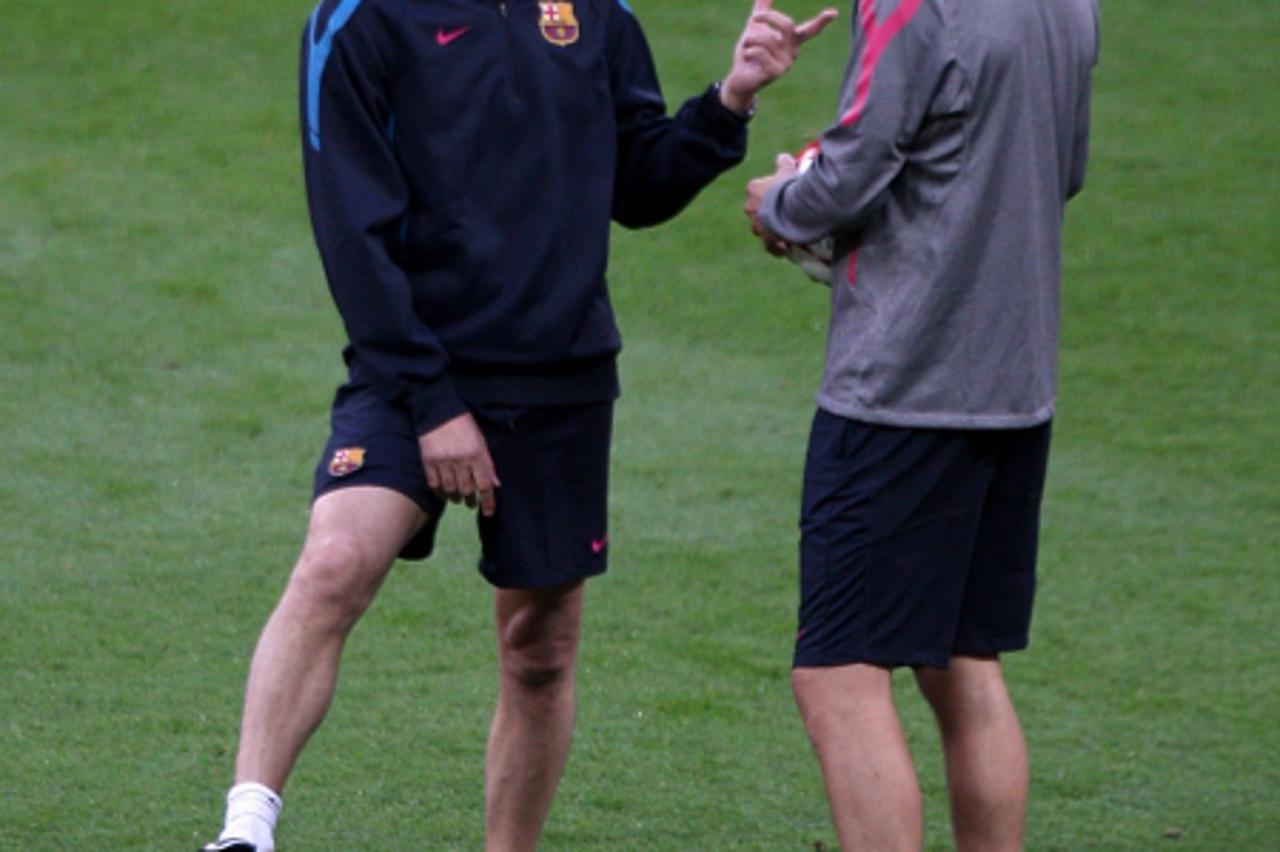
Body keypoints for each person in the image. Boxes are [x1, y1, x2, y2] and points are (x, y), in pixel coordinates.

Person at [200, 0, 837, 850]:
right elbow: (350, 229)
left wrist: (731, 100)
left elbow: (637, 186)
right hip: (412, 366)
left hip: (559, 378)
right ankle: (246, 830)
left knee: (540, 650)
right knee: (335, 562)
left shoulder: (596, 13)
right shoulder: (359, 18)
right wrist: (433, 404)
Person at [744, 0, 1099, 849]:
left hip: (903, 386)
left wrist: (782, 202)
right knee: (964, 662)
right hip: (1015, 379)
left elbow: (851, 175)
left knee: (836, 676)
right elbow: (1064, 169)